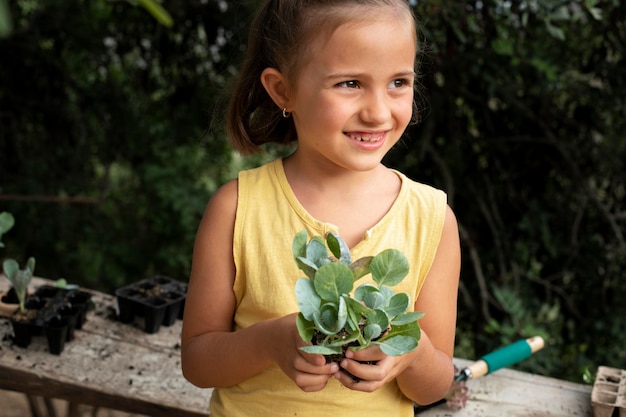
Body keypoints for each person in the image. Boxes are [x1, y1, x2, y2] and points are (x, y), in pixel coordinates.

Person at [181, 0, 461, 416]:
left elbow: (435, 386)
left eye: (398, 82)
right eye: (350, 83)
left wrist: (412, 353)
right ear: (283, 90)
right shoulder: (236, 209)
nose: (378, 111)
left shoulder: (432, 218)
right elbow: (198, 362)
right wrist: (270, 341)